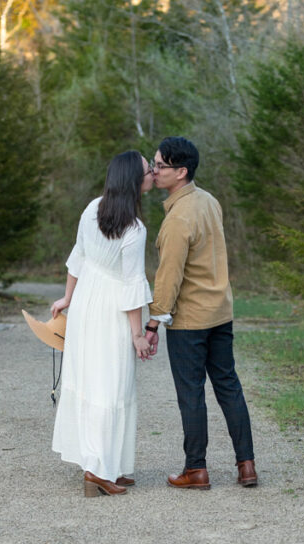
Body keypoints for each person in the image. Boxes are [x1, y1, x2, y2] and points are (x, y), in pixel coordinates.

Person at [144, 137, 257, 490]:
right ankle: (247, 465)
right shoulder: (209, 201)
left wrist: (153, 322)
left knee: (191, 392)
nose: (154, 170)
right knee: (228, 387)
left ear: (181, 172)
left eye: (160, 165)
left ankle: (196, 470)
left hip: (190, 320)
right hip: (220, 312)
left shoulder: (178, 218)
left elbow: (169, 276)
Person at [50, 151, 155, 497]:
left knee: (95, 382)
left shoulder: (92, 208)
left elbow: (78, 258)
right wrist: (138, 334)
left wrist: (68, 298)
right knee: (111, 385)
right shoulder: (134, 228)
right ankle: (97, 470)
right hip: (110, 308)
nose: (153, 174)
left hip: (86, 305)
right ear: (133, 181)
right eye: (147, 170)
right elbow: (132, 284)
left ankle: (108, 465)